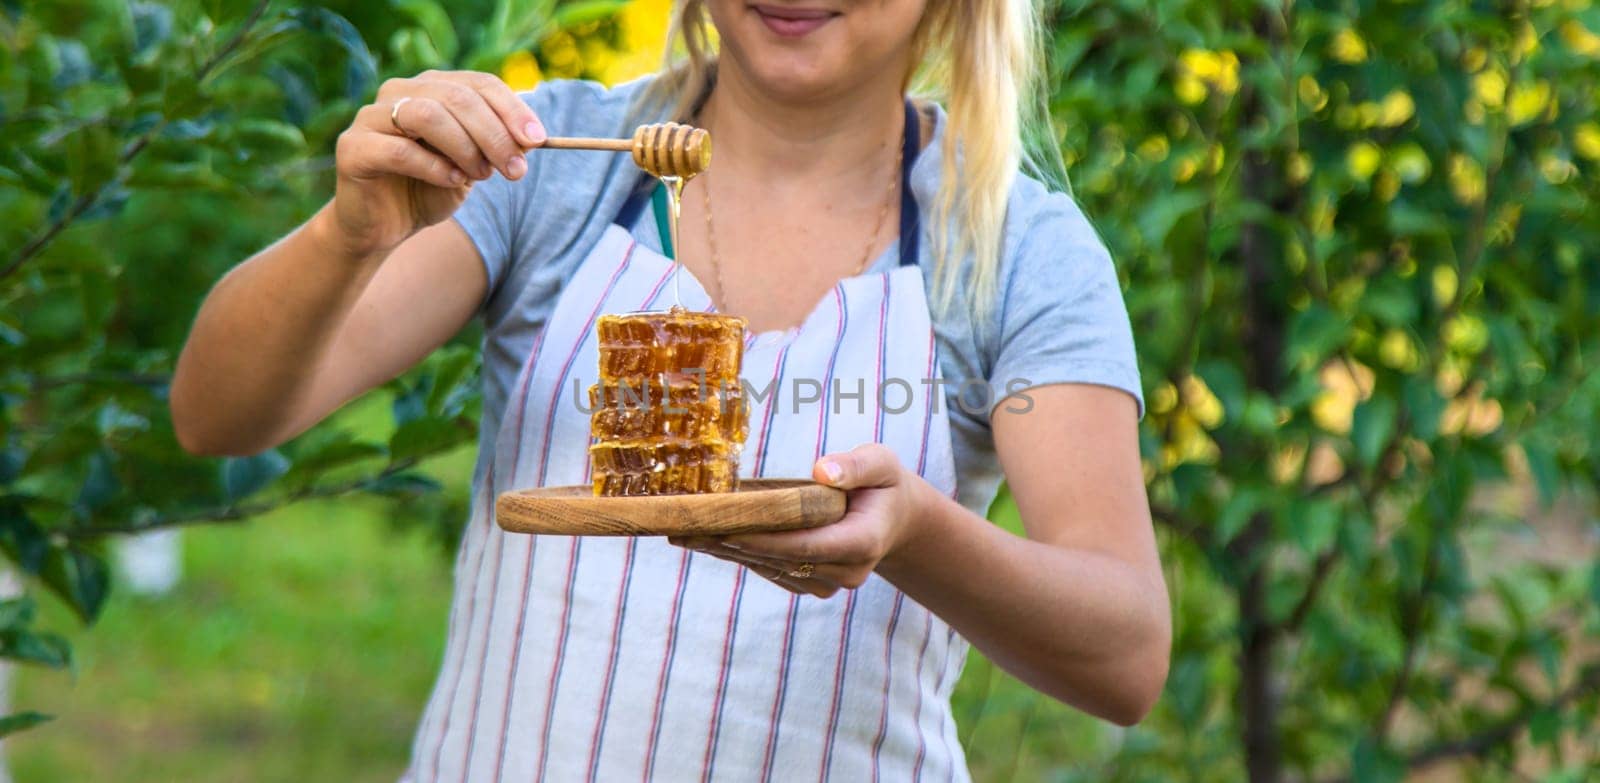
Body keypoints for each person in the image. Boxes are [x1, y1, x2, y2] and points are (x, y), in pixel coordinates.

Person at [170, 0, 1171, 779]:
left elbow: (1124, 654)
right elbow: (218, 415)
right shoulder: (546, 163)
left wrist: (916, 534)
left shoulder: (1016, 252)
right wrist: (351, 232)